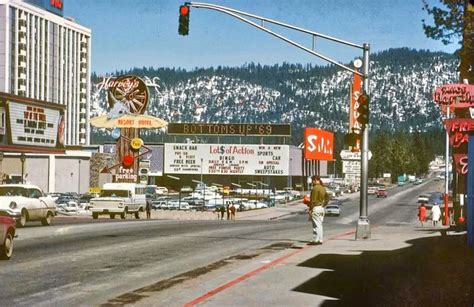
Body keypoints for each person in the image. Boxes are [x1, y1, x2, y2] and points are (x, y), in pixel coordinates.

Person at [308, 175, 326, 245]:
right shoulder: (323, 188)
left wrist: (310, 209)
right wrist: (323, 205)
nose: (312, 182)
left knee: (316, 225)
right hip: (321, 208)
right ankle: (320, 239)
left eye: (312, 180)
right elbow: (327, 198)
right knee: (320, 225)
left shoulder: (315, 188)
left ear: (315, 180)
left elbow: (313, 200)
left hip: (316, 208)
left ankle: (316, 240)